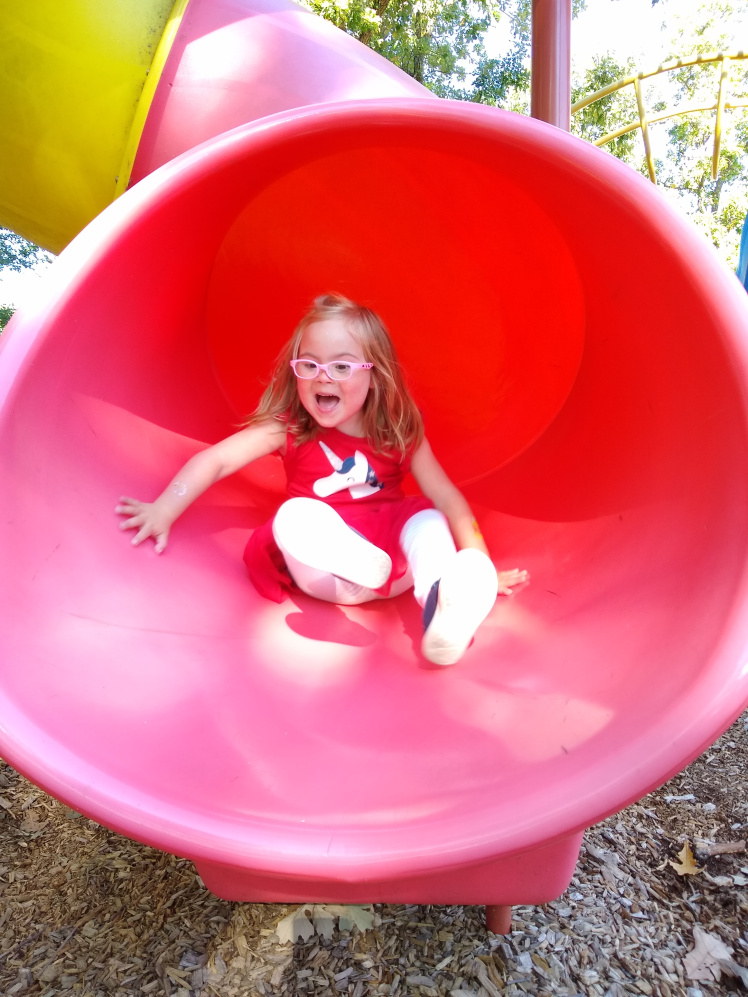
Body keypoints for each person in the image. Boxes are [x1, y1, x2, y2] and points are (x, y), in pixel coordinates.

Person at [116, 293, 528, 665]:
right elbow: (217, 461)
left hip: (397, 568)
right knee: (294, 518)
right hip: (325, 574)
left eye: (341, 366)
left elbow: (447, 499)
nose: (322, 376)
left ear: (375, 375)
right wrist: (164, 509)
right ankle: (353, 559)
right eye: (309, 364)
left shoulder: (401, 432)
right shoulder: (291, 428)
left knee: (427, 522)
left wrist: (482, 562)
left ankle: (445, 599)